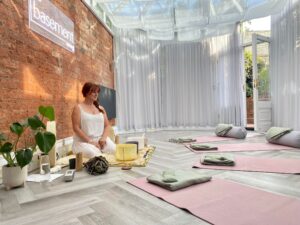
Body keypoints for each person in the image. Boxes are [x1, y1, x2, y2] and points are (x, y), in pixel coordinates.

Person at [72, 82, 116, 158]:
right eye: (93, 92)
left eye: (97, 92)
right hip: (83, 142)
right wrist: (90, 141)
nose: (96, 94)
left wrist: (103, 138)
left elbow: (107, 126)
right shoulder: (78, 108)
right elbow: (76, 128)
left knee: (114, 150)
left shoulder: (101, 108)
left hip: (100, 140)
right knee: (94, 154)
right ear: (86, 92)